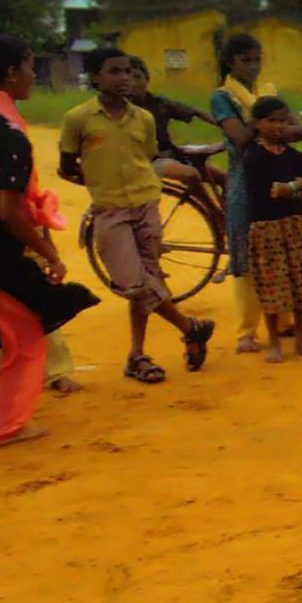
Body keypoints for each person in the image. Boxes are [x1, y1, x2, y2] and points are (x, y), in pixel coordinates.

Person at [58, 48, 216, 383]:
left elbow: (145, 158)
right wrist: (99, 182)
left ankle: (137, 355)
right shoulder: (79, 119)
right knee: (134, 282)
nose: (125, 78)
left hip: (146, 204)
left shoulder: (142, 119)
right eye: (114, 71)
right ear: (95, 78)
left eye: (128, 71)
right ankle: (190, 327)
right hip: (110, 210)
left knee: (147, 278)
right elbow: (67, 168)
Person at [0, 33, 97, 445]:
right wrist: (49, 252)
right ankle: (8, 425)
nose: (34, 75)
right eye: (31, 66)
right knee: (27, 336)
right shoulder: (8, 136)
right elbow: (8, 212)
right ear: (12, 73)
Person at [238, 98, 302, 364]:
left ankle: (300, 339)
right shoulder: (253, 156)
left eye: (283, 121)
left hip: (293, 224)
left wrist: (298, 186)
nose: (278, 127)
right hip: (267, 228)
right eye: (272, 121)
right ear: (256, 124)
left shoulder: (291, 155)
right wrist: (300, 185)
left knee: (300, 283)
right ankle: (274, 341)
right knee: (272, 285)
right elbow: (273, 191)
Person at [210, 32, 268, 350]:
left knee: (278, 247)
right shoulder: (222, 97)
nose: (254, 67)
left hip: (272, 173)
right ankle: (247, 331)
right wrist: (270, 122)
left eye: (257, 60)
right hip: (244, 180)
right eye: (247, 61)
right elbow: (240, 137)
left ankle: (284, 321)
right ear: (231, 63)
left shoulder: (264, 92)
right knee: (245, 255)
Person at [129, 56, 224, 206]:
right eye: (128, 78)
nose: (133, 83)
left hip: (172, 153)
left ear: (146, 79)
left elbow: (196, 112)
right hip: (148, 160)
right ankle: (211, 210)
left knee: (224, 178)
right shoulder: (121, 109)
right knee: (191, 174)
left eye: (137, 77)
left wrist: (226, 126)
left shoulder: (159, 103)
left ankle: (228, 214)